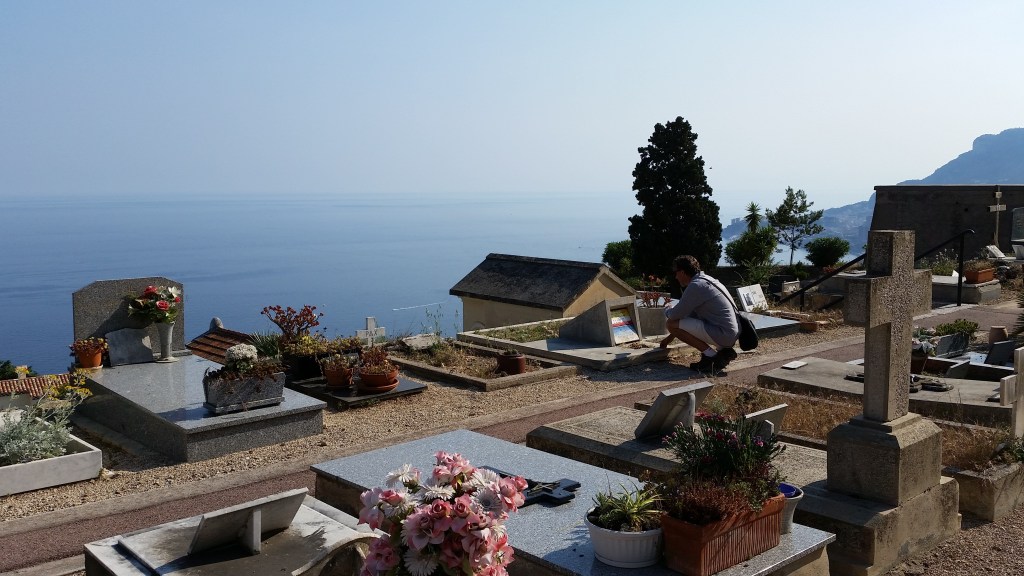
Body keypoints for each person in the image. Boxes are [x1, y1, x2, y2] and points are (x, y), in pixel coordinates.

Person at [659, 255, 740, 373]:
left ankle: (711, 357)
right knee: (676, 322)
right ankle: (724, 351)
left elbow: (674, 316)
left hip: (723, 334)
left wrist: (667, 308)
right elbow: (684, 318)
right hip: (730, 333)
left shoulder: (696, 286)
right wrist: (668, 340)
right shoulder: (707, 280)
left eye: (676, 273)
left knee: (670, 323)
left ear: (682, 272)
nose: (675, 277)